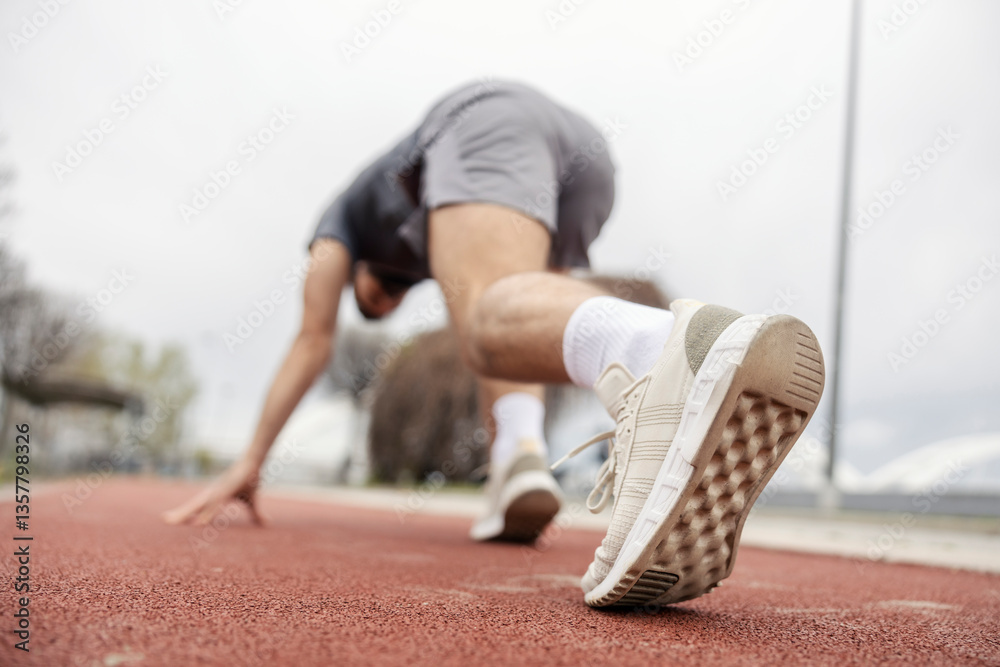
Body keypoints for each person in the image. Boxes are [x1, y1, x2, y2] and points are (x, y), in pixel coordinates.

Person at [163, 80, 825, 608]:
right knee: (516, 331)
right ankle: (518, 457)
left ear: (358, 267)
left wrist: (252, 458)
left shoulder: (336, 227)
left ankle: (666, 352)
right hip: (583, 162)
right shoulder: (423, 230)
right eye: (390, 298)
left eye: (383, 289)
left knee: (483, 322)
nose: (390, 296)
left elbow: (312, 339)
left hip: (486, 119)